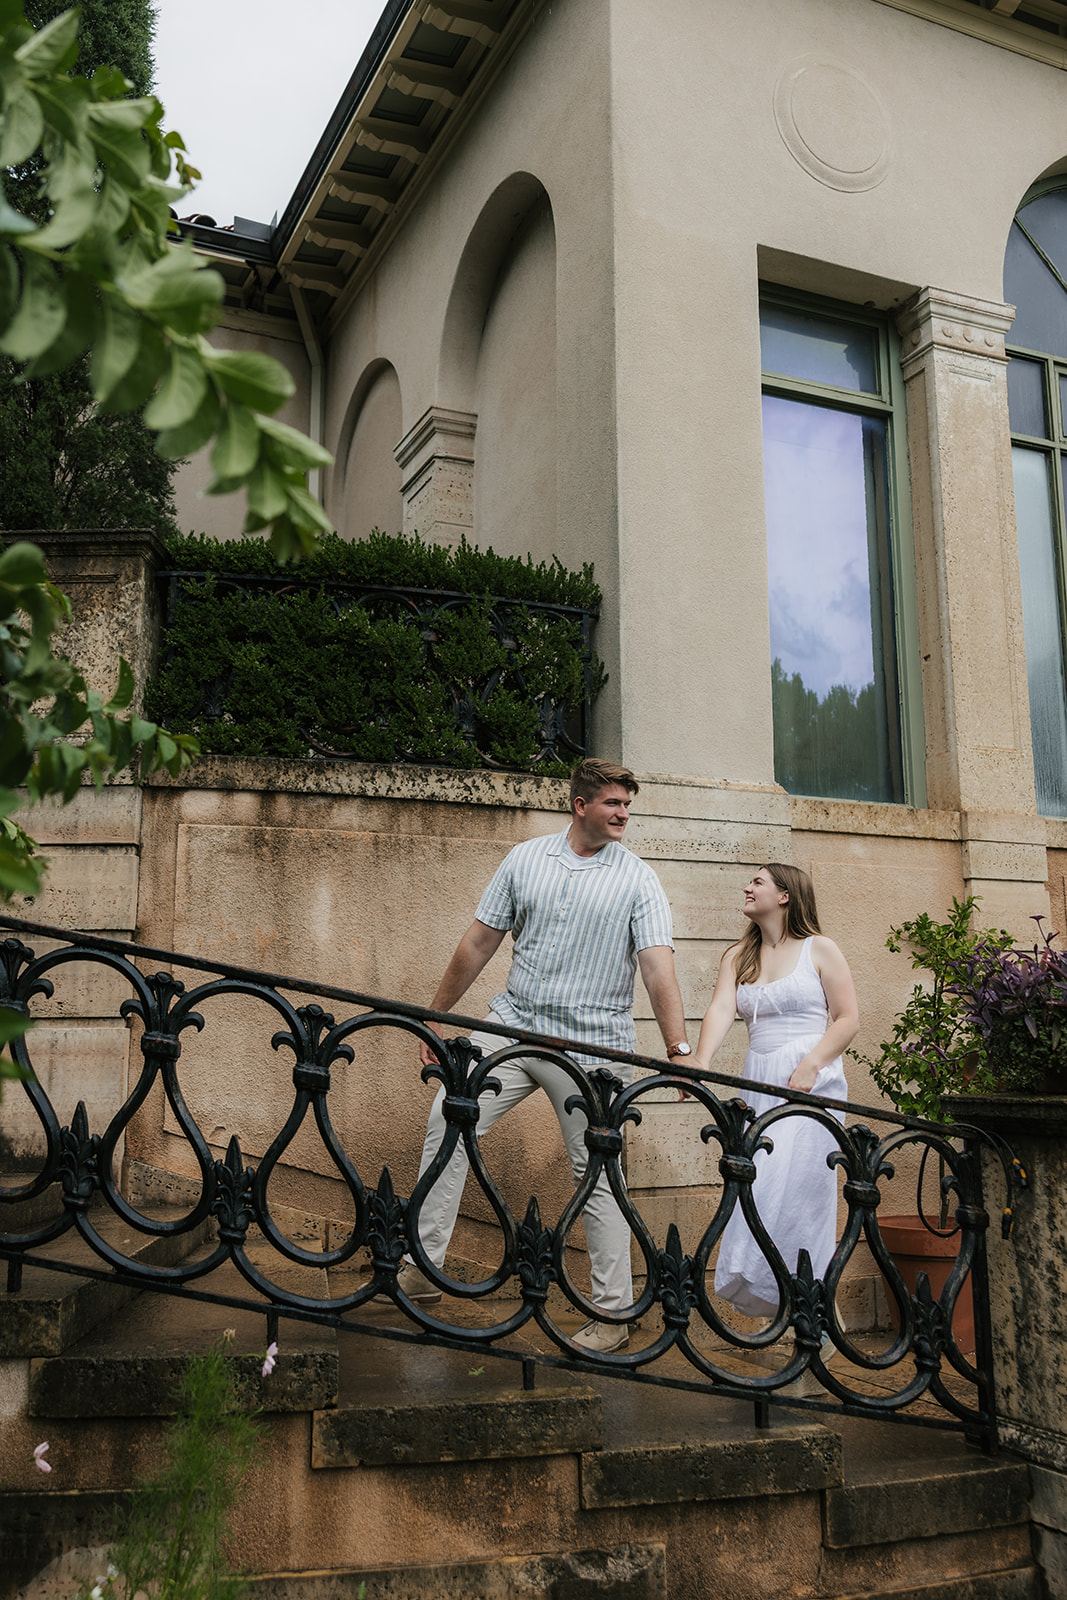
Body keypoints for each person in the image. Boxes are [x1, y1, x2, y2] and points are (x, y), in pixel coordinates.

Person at [400, 757, 690, 1354]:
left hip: (592, 1046)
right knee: (448, 1123)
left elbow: (657, 967)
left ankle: (612, 1312)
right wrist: (437, 1012)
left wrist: (678, 1050)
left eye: (628, 805)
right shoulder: (525, 859)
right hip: (511, 1027)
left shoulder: (639, 879)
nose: (624, 815)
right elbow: (480, 941)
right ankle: (421, 1268)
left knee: (598, 1171)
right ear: (580, 805)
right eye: (614, 804)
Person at [691, 863, 859, 1320]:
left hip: (809, 1084)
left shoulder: (819, 949)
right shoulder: (737, 956)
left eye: (758, 881)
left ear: (785, 896)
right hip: (759, 1081)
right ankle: (811, 1318)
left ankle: (816, 1323)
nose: (747, 887)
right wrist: (701, 1063)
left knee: (796, 1200)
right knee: (760, 1197)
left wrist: (812, 1064)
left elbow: (847, 1018)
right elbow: (722, 1009)